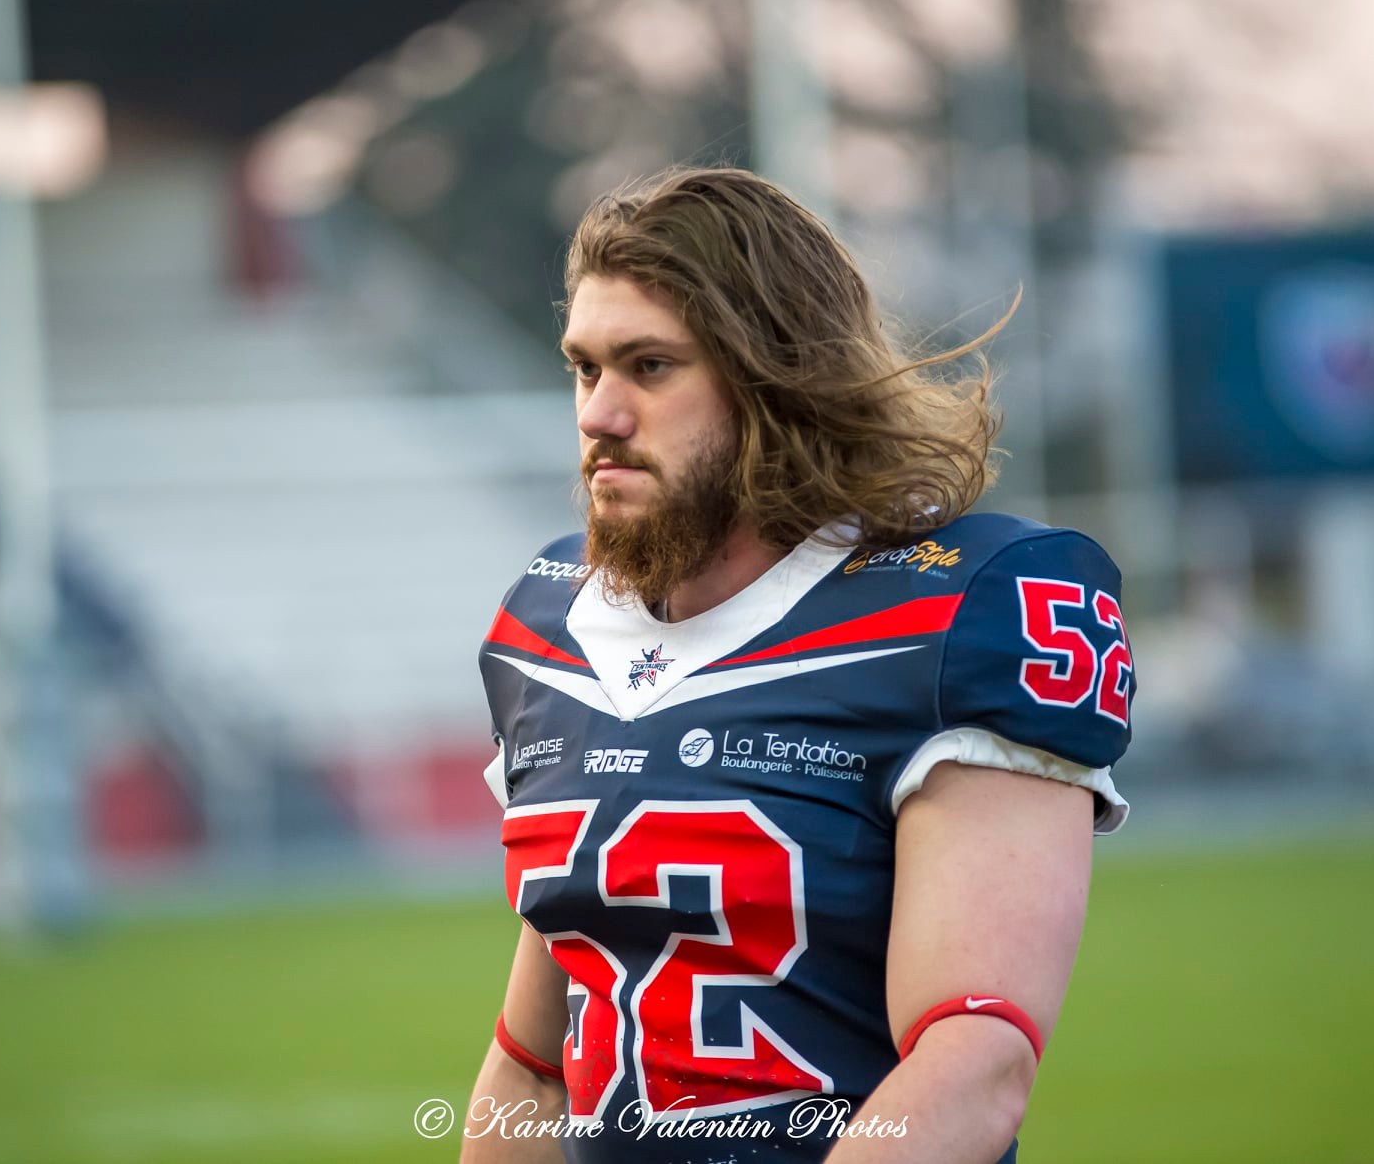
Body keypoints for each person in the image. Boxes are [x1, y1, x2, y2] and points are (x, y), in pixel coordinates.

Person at [463, 166, 1133, 1164]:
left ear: (775, 378)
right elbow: (532, 1065)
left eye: (649, 367)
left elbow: (975, 1062)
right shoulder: (551, 630)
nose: (599, 414)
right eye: (585, 368)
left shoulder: (960, 613)